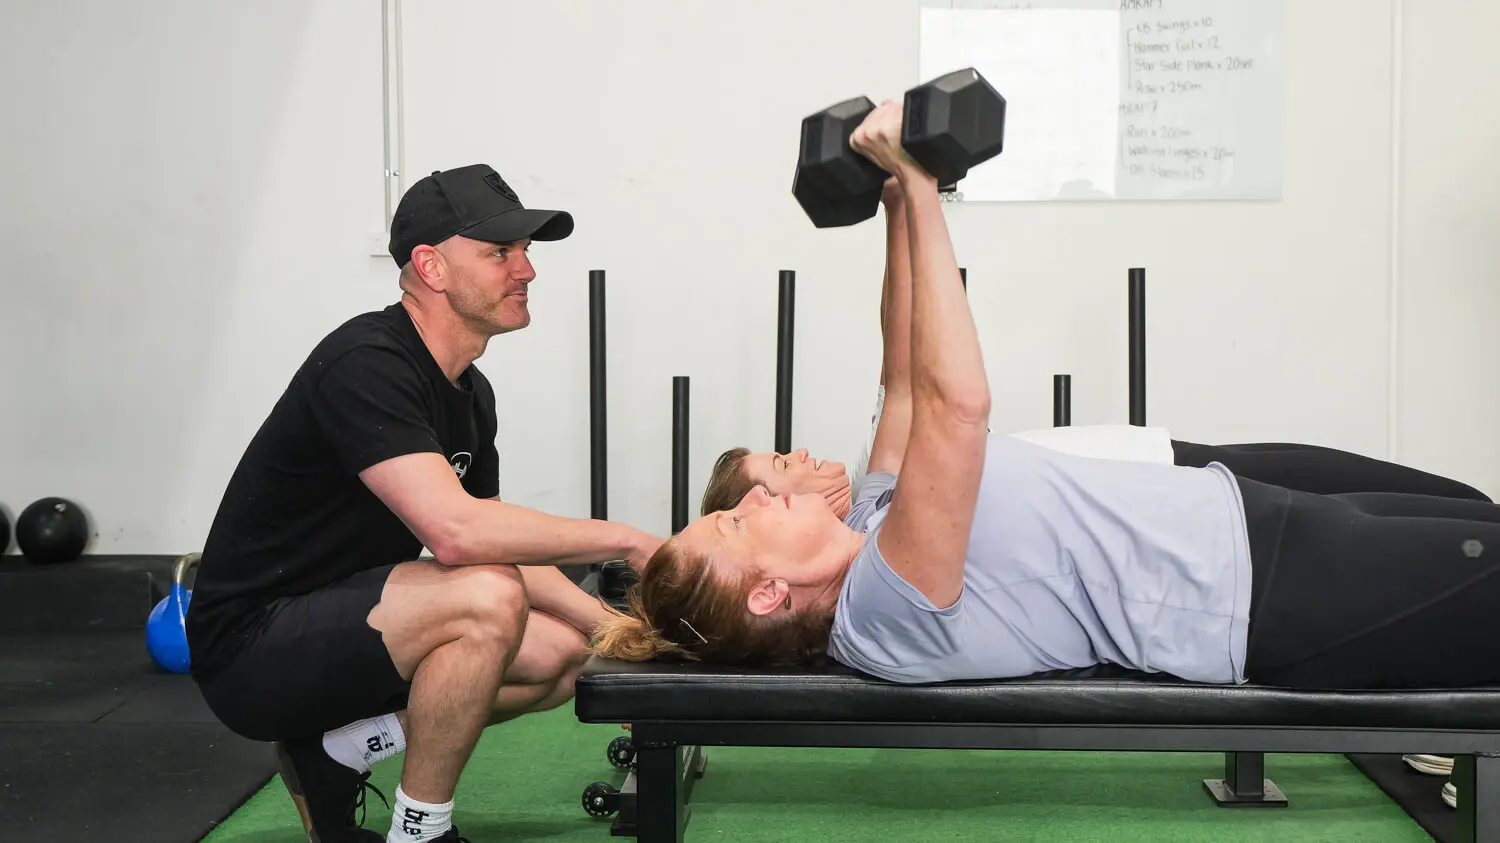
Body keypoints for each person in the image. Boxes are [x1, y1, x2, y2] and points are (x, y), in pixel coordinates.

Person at [590, 102, 1500, 704]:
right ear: (770, 596)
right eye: (734, 530)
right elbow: (957, 407)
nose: (749, 499)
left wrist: (899, 211)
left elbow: (904, 377)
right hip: (1276, 597)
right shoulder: (883, 609)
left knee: (1477, 513)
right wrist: (916, 180)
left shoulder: (870, 515)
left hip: (1253, 520)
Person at [185, 164, 663, 843]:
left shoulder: (471, 393)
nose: (526, 270)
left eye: (526, 252)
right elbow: (460, 534)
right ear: (430, 266)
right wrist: (629, 540)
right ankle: (422, 832)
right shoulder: (368, 362)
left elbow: (505, 544)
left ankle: (336, 751)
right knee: (486, 595)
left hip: (361, 623)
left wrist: (620, 639)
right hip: (254, 649)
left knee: (559, 653)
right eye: (501, 253)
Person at [699, 176, 1489, 524]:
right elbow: (905, 370)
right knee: (1429, 517)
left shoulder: (876, 483)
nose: (799, 455)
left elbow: (897, 355)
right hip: (1172, 493)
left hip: (1165, 456)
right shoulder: (880, 524)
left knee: (1434, 504)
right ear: (766, 507)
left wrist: (899, 207)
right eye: (780, 467)